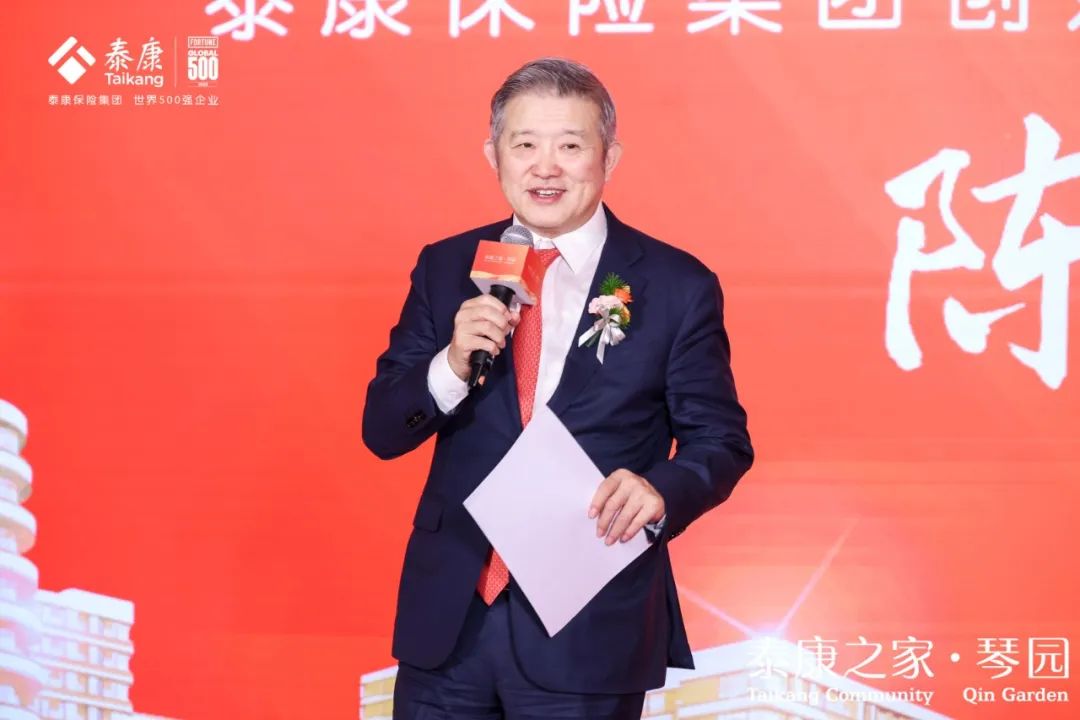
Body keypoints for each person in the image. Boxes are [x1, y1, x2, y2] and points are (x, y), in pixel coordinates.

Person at [363, 57, 753, 720]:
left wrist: (660, 490)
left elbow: (720, 442)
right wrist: (451, 363)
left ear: (609, 157)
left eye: (570, 146)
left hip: (588, 624)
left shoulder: (674, 284)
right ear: (494, 155)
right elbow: (382, 429)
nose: (546, 168)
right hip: (450, 622)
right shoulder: (447, 266)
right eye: (524, 145)